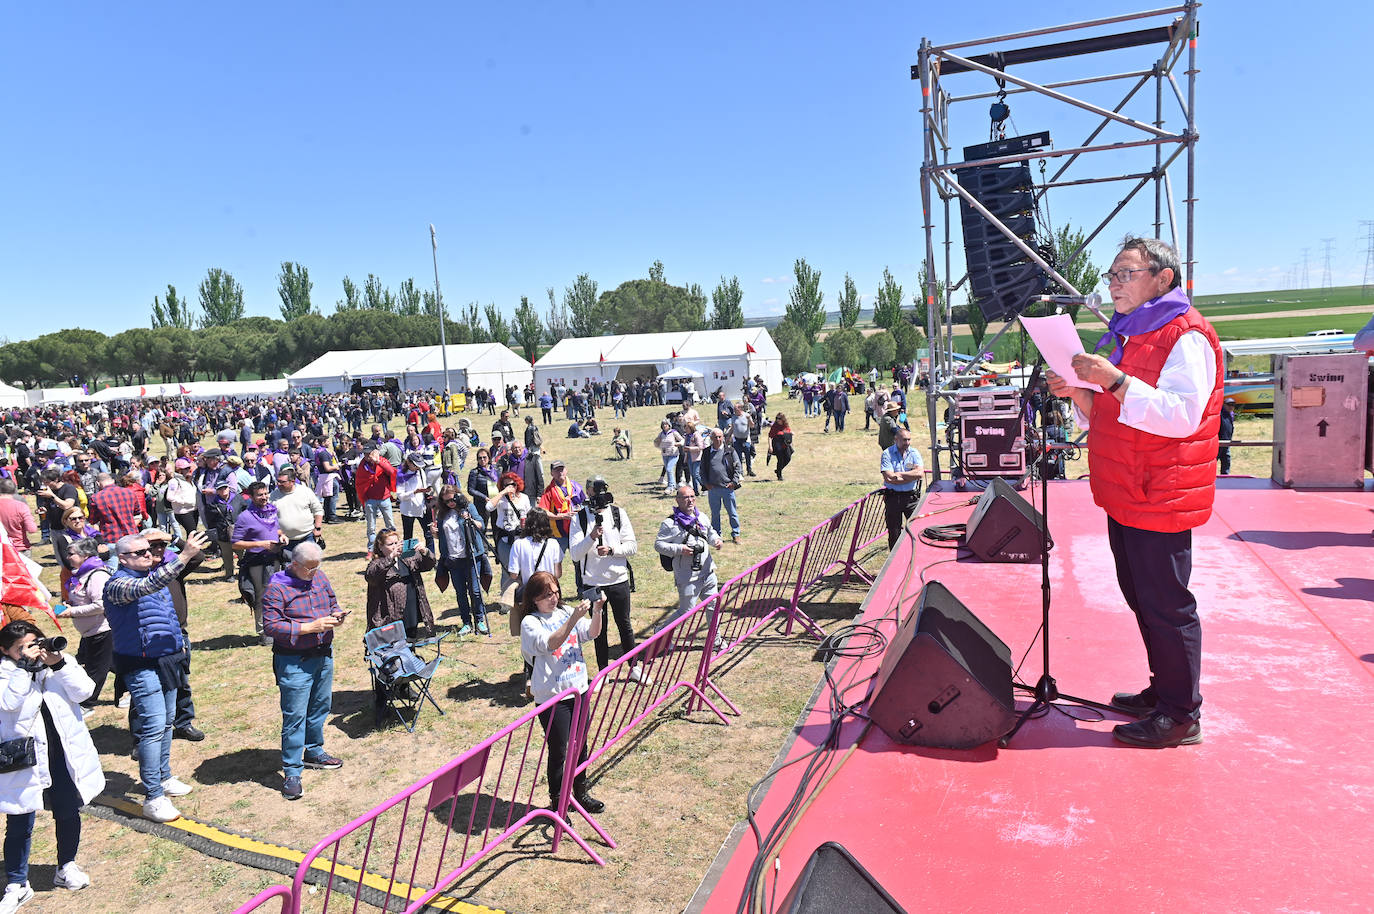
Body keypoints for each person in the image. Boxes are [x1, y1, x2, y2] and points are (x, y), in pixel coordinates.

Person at [1045, 236, 1222, 749]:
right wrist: (1083, 394)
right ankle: (1164, 690)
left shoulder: (1185, 335)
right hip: (1128, 489)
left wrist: (1115, 380)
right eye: (1112, 276)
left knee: (1167, 604)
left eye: (1125, 274)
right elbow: (1120, 414)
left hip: (1160, 493)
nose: (1114, 284)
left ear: (1162, 279)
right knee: (1141, 598)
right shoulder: (1132, 333)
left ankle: (1182, 714)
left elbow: (1181, 415)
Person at [102, 529, 209, 823]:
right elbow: (146, 588)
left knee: (166, 723)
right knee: (151, 727)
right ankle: (153, 797)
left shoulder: (155, 576)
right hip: (140, 664)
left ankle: (163, 777)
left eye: (149, 550)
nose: (149, 554)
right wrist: (184, 555)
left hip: (167, 659)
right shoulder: (117, 584)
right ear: (122, 557)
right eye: (141, 552)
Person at [0, 620, 105, 908]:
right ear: (5, 651)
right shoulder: (4, 672)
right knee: (20, 819)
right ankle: (17, 883)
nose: (31, 651)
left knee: (68, 810)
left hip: (63, 751)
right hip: (24, 757)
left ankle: (66, 866)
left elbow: (85, 691)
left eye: (35, 643)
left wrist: (59, 664)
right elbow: (9, 703)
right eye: (21, 649)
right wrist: (25, 670)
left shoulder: (58, 663)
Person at [261, 541, 347, 800]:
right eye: (309, 568)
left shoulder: (319, 576)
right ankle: (292, 770)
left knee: (320, 706)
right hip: (294, 660)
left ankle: (313, 750)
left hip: (323, 654)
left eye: (317, 567)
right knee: (295, 715)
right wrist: (309, 627)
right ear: (294, 565)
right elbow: (271, 626)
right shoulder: (277, 587)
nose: (314, 572)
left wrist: (336, 615)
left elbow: (332, 601)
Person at [518, 571, 605, 814]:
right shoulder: (530, 623)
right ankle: (558, 801)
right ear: (534, 598)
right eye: (547, 595)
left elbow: (593, 633)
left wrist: (597, 610)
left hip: (579, 689)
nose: (553, 599)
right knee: (559, 749)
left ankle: (580, 790)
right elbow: (551, 643)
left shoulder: (565, 612)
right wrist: (575, 618)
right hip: (553, 697)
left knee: (581, 745)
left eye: (556, 592)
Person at [569, 477, 644, 683]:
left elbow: (632, 546)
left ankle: (634, 667)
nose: (599, 497)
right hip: (593, 582)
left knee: (624, 624)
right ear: (588, 493)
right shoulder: (579, 519)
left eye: (602, 491)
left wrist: (612, 550)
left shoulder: (619, 514)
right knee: (598, 628)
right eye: (594, 491)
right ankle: (603, 671)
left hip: (618, 579)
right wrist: (591, 537)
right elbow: (575, 554)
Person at [654, 486, 724, 626]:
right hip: (687, 576)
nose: (690, 501)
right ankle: (660, 632)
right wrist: (680, 549)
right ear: (678, 500)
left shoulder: (701, 517)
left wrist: (716, 540)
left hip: (708, 572)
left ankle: (715, 642)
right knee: (687, 611)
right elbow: (659, 545)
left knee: (713, 608)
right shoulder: (669, 524)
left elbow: (710, 533)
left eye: (692, 497)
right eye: (686, 497)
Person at [61, 538, 114, 711]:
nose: (67, 557)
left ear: (86, 555)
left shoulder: (97, 575)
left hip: (102, 631)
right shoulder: (81, 573)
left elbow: (101, 605)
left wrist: (72, 612)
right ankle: (128, 689)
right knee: (113, 664)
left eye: (71, 554)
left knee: (95, 670)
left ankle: (86, 705)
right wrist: (70, 605)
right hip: (90, 632)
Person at [233, 481, 288, 642]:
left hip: (274, 559)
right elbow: (235, 543)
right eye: (259, 495)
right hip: (256, 561)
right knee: (262, 596)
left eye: (265, 494)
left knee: (277, 593)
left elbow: (275, 529)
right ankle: (264, 631)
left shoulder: (271, 511)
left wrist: (281, 536)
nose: (264, 497)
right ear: (251, 497)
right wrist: (260, 544)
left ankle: (279, 625)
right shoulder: (245, 517)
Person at [433, 486, 491, 637]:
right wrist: (435, 534)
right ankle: (466, 622)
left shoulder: (468, 507)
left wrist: (469, 519)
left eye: (453, 499)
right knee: (461, 593)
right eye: (446, 501)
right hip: (452, 558)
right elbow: (444, 535)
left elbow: (481, 525)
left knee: (476, 591)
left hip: (471, 556)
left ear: (458, 495)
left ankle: (479, 620)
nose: (450, 503)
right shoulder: (442, 514)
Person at [365, 528, 436, 635]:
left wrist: (424, 551)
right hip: (390, 614)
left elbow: (429, 565)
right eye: (390, 544)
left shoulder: (408, 557)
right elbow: (371, 576)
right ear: (380, 547)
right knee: (395, 645)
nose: (395, 546)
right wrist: (391, 557)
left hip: (411, 607)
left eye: (396, 543)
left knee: (411, 638)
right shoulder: (377, 563)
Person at [879, 427, 924, 548]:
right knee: (894, 533)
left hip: (911, 498)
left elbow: (920, 473)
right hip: (893, 499)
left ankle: (916, 555)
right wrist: (911, 476)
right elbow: (889, 477)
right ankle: (894, 562)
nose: (907, 443)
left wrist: (900, 475)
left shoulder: (914, 453)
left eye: (909, 440)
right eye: (904, 440)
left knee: (917, 530)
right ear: (896, 439)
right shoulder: (887, 454)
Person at [701, 428, 743, 544]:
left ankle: (736, 534)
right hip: (713, 489)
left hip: (727, 488)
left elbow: (738, 467)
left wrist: (733, 482)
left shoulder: (730, 450)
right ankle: (716, 536)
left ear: (723, 437)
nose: (718, 439)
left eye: (720, 437)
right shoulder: (706, 452)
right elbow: (702, 470)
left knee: (732, 513)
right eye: (715, 437)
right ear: (711, 438)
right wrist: (706, 483)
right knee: (715, 514)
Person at [354, 444, 397, 557]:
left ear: (375, 452)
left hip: (384, 498)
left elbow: (391, 472)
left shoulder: (382, 461)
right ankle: (371, 549)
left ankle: (394, 545)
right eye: (365, 454)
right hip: (370, 499)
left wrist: (378, 462)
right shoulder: (363, 466)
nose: (367, 456)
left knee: (390, 524)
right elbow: (359, 481)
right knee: (371, 526)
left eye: (369, 453)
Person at [396, 453, 435, 554]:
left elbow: (425, 485)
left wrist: (428, 490)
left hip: (421, 508)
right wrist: (414, 492)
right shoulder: (401, 475)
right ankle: (408, 558)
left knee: (428, 533)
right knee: (408, 535)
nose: (417, 467)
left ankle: (431, 557)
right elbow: (400, 496)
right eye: (415, 465)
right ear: (408, 462)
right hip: (408, 510)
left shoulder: (421, 471)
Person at [0, 481, 35, 557]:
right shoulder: (21, 506)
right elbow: (32, 529)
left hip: (2, 548)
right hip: (20, 548)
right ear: (14, 490)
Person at [653, 421, 684, 496]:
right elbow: (656, 444)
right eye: (663, 424)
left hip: (674, 454)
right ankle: (671, 486)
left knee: (669, 469)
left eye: (666, 424)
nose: (664, 426)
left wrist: (679, 444)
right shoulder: (661, 434)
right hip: (665, 454)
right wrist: (657, 443)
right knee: (668, 470)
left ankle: (671, 486)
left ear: (669, 425)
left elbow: (682, 440)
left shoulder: (673, 432)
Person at [768, 414, 794, 481]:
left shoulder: (785, 425)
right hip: (777, 444)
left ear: (783, 419)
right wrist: (770, 446)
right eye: (777, 419)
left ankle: (778, 470)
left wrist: (791, 434)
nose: (777, 420)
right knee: (780, 460)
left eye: (779, 419)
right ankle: (779, 476)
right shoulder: (775, 426)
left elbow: (789, 433)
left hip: (785, 444)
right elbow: (770, 436)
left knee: (788, 458)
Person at [1218, 397, 1236, 475]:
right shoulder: (1220, 414)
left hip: (1227, 442)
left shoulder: (1231, 415)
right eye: (1228, 404)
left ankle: (1225, 477)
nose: (1231, 406)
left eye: (1233, 405)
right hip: (1219, 442)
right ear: (1224, 405)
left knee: (1226, 461)